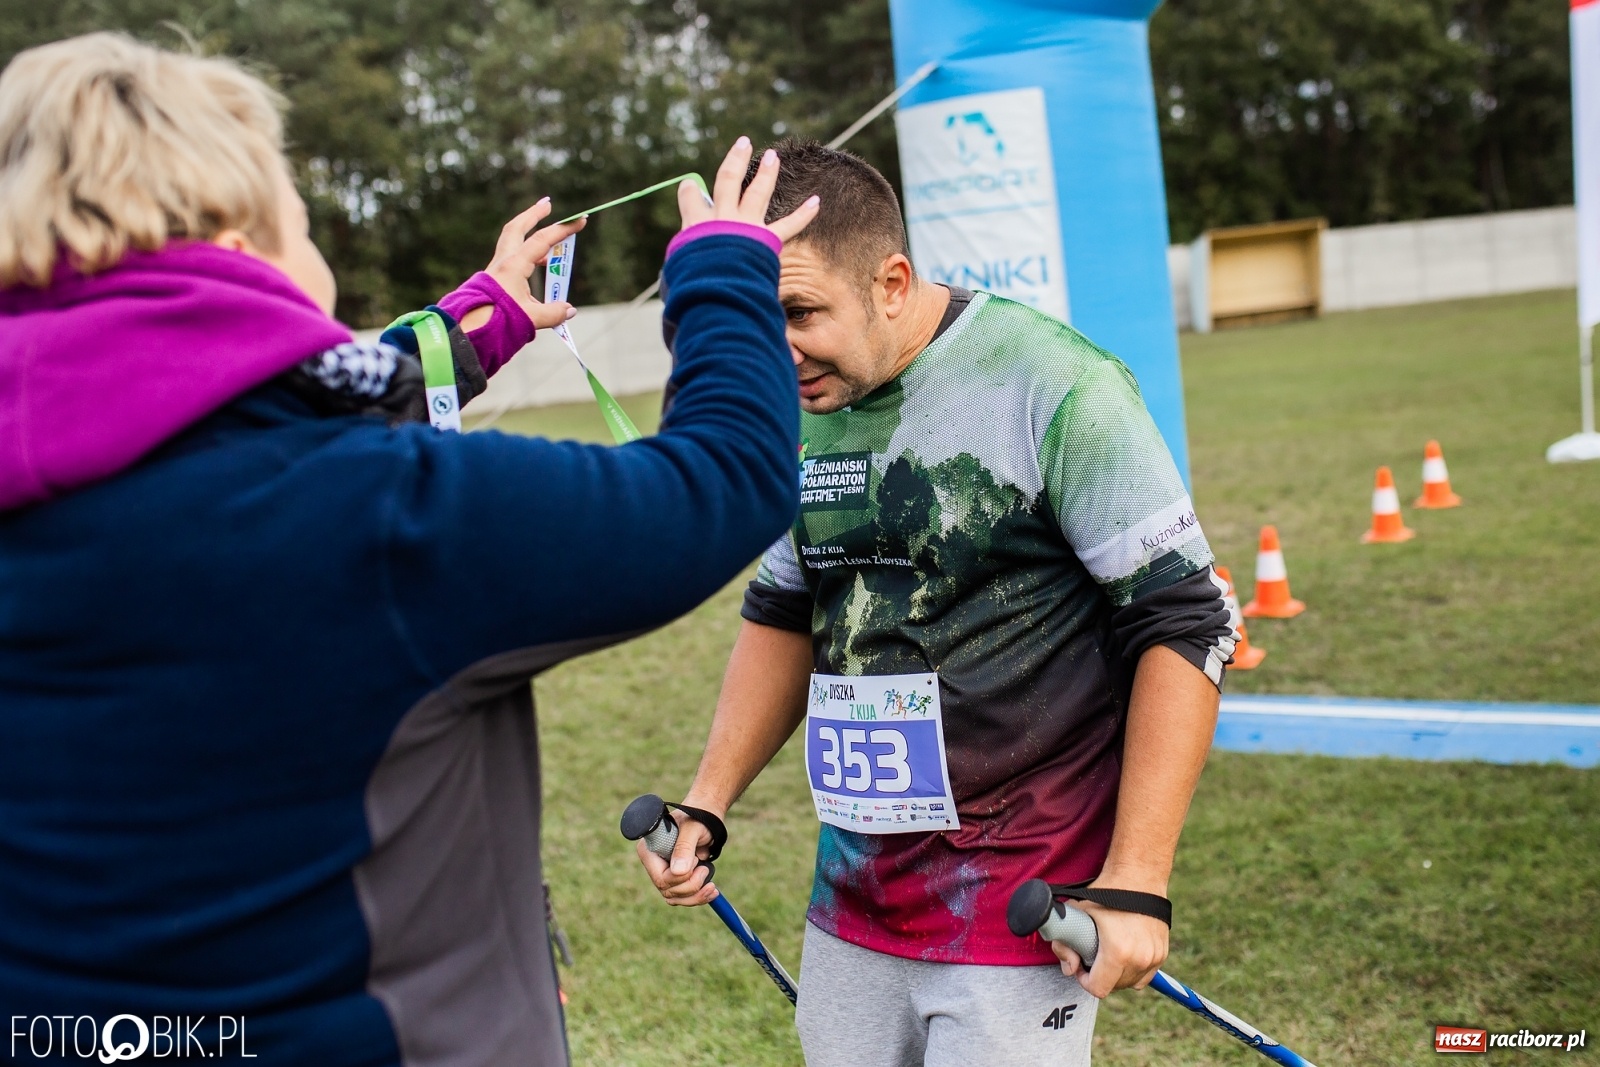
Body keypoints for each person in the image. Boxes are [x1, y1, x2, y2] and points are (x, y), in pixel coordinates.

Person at [0, 33, 817, 1067]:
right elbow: (723, 479)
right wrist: (725, 272)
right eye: (297, 211)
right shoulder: (367, 518)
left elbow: (201, 415)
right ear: (242, 239)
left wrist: (480, 323)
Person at [636, 140, 1238, 1067]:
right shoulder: (795, 401)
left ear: (891, 281)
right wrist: (708, 805)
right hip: (853, 900)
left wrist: (1139, 881)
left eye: (798, 311)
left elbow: (1185, 621)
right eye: (757, 321)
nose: (778, 350)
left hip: (1023, 902)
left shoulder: (1054, 382)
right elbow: (785, 606)